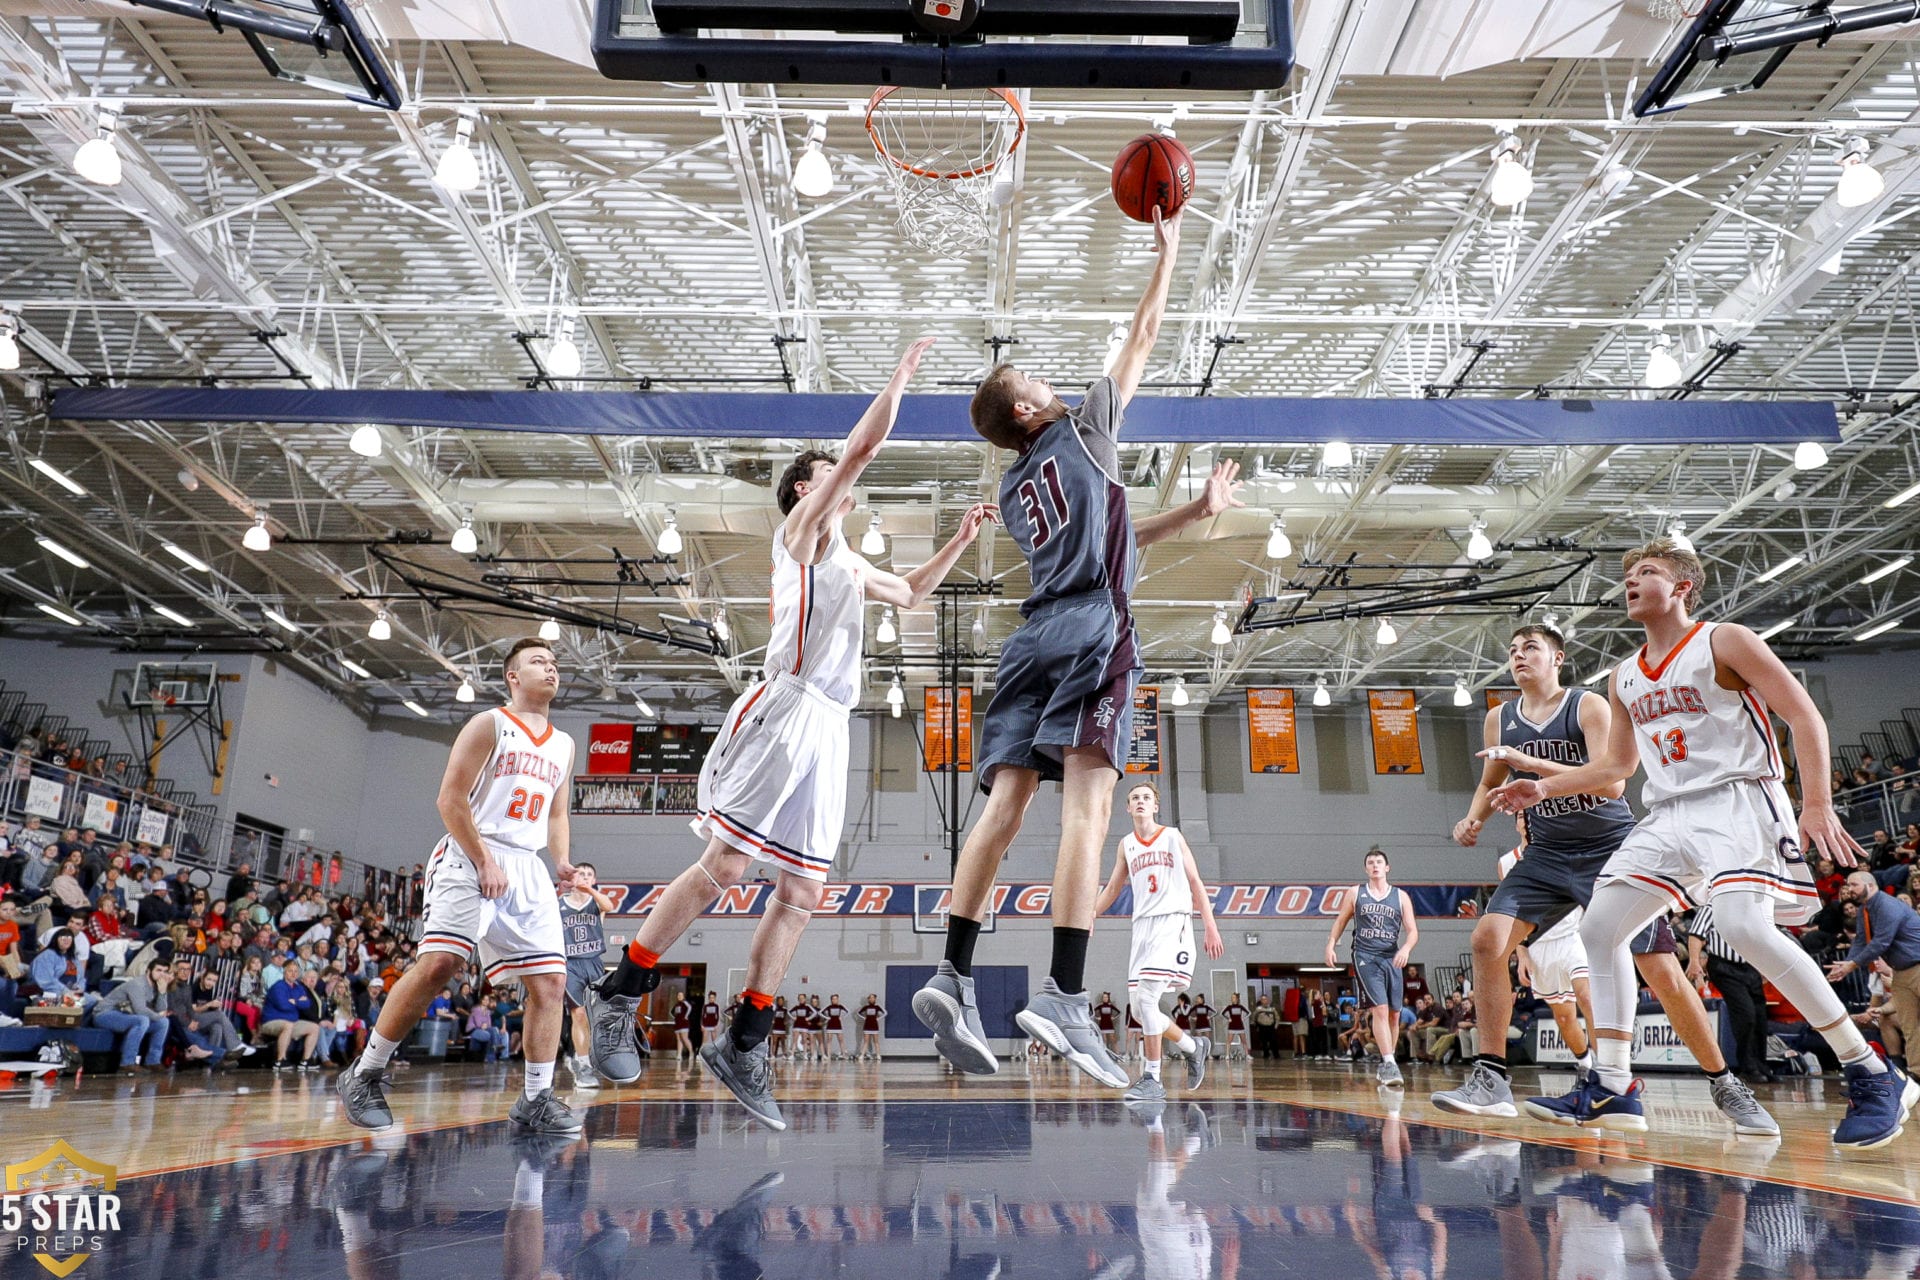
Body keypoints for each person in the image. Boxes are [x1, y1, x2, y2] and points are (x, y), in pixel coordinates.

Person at [587, 338, 996, 1132]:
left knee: (804, 892)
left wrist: (958, 540)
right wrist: (899, 377)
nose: (846, 480)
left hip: (832, 725)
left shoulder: (845, 562)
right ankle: (619, 993)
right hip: (786, 708)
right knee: (726, 865)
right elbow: (865, 447)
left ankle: (744, 1040)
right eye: (831, 473)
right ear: (808, 490)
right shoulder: (802, 539)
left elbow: (911, 594)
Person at [912, 206, 1245, 1091]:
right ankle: (1063, 994)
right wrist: (1167, 255)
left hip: (1030, 640)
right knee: (1089, 814)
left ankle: (952, 971)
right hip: (1097, 628)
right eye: (1035, 378)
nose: (1052, 380)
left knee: (1004, 808)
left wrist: (1193, 515)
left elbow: (1120, 538)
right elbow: (1142, 334)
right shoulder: (1083, 427)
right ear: (1028, 406)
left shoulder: (1021, 488)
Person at [1493, 536, 1915, 1149]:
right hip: (1667, 814)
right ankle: (1612, 1082)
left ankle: (1872, 1071)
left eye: (1647, 572)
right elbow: (1615, 769)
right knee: (1600, 928)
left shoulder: (1725, 640)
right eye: (1628, 574)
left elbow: (1804, 716)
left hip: (1738, 799)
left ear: (1683, 586)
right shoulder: (1625, 676)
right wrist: (1543, 786)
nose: (1631, 582)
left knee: (1744, 928)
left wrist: (1817, 802)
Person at [1435, 623, 1776, 1138]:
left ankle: (1725, 1082)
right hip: (1547, 852)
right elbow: (1491, 779)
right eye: (1512, 650)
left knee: (1660, 968)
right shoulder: (1498, 719)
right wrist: (1475, 817)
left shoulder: (1588, 706)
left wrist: (1533, 769)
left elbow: (1613, 780)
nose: (1518, 656)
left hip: (1611, 849)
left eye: (1531, 648)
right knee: (1486, 938)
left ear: (1558, 658)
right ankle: (1491, 1078)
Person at [338, 637, 582, 1136]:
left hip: (528, 866)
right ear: (513, 676)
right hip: (473, 852)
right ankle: (364, 1074)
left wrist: (561, 862)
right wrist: (484, 859)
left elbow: (557, 812)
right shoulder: (489, 723)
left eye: (554, 663)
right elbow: (450, 800)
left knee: (551, 983)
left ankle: (536, 1097)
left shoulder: (564, 743)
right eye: (539, 662)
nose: (551, 669)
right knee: (442, 963)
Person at [1092, 781, 1223, 1102]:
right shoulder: (1126, 844)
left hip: (1172, 922)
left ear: (1155, 806)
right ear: (1127, 807)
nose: (1140, 801)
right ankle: (1194, 1047)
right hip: (1142, 928)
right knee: (1138, 1006)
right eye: (1134, 797)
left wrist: (1210, 925)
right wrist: (1089, 914)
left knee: (1148, 1000)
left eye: (1146, 797)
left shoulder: (1172, 836)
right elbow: (1112, 888)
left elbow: (1194, 880)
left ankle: (1152, 1076)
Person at [1325, 848, 1418, 1087]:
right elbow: (1341, 921)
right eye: (1370, 862)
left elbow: (1413, 931)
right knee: (1380, 1008)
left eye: (1379, 862)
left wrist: (1405, 949)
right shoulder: (1356, 893)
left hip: (1391, 956)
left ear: (1387, 867)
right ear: (1366, 868)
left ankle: (1390, 1061)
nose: (1375, 865)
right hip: (1365, 955)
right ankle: (1388, 1062)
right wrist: (1331, 944)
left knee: (1394, 1014)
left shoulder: (1400, 897)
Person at [1826, 870, 1920, 1072]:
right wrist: (1846, 963)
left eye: (1854, 885)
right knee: (1910, 1027)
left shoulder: (1887, 906)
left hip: (1917, 966)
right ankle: (1916, 1073)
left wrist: (1853, 964)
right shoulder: (1864, 911)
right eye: (1848, 885)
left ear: (1870, 885)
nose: (1850, 889)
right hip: (1901, 972)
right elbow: (1861, 940)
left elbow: (1881, 942)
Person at [1684, 902, 1773, 1082]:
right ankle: (1747, 1067)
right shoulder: (1712, 906)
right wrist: (1694, 961)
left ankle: (1761, 1065)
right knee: (1745, 1014)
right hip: (1724, 966)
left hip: (1750, 965)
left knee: (1760, 1015)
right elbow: (1696, 934)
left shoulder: (1750, 907)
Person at [558, 862, 615, 1089]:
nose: (585, 877)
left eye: (589, 874)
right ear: (572, 878)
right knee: (578, 1014)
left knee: (594, 1017)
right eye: (581, 873)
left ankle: (581, 1056)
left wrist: (588, 889)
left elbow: (609, 906)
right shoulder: (559, 905)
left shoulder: (596, 902)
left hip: (594, 962)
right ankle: (583, 1065)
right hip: (570, 964)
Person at [92, 959, 181, 1074]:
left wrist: (162, 992)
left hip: (126, 1016)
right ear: (149, 971)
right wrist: (158, 1015)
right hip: (105, 1014)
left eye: (165, 971)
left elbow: (161, 1010)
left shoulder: (157, 985)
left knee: (163, 1023)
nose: (162, 974)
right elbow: (140, 1010)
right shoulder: (137, 984)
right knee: (142, 1020)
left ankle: (153, 1061)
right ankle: (127, 1063)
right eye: (158, 970)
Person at [261, 959, 323, 1070]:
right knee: (287, 1025)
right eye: (290, 971)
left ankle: (305, 1061)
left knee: (314, 1027)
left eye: (296, 971)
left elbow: (307, 1003)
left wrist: (294, 1001)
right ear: (284, 972)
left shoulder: (298, 987)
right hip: (271, 1022)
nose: (293, 974)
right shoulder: (278, 986)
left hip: (292, 1021)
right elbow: (283, 1005)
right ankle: (280, 1061)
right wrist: (299, 1002)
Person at [1221, 992, 1250, 1060]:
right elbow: (1223, 1013)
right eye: (1232, 997)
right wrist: (1228, 1018)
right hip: (1232, 1026)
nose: (1232, 999)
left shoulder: (1240, 1006)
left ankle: (1247, 1055)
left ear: (1237, 999)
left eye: (1233, 997)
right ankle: (1227, 1055)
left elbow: (1248, 1013)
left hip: (1240, 1026)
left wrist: (1243, 1018)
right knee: (1229, 1041)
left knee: (1244, 1041)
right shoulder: (1229, 1007)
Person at [1093, 991, 1122, 1056]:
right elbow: (1092, 1012)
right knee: (1104, 1040)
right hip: (1102, 1025)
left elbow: (1119, 1012)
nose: (1105, 998)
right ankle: (1104, 1054)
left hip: (1109, 1025)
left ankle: (1117, 1053)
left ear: (1108, 998)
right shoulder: (1100, 1005)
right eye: (1104, 997)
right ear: (1102, 998)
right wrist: (1097, 1017)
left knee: (1113, 1040)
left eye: (1106, 997)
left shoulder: (1110, 1005)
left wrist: (1114, 1017)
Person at [857, 993, 884, 1060]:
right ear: (868, 999)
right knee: (866, 1041)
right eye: (870, 998)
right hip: (867, 1026)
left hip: (874, 1026)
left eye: (873, 998)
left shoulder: (877, 1007)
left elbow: (885, 1013)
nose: (872, 999)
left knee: (876, 1041)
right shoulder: (866, 1007)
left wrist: (878, 1018)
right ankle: (862, 1055)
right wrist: (864, 1018)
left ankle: (878, 1055)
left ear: (875, 999)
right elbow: (858, 1013)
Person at [824, 994, 848, 1059]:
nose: (834, 1000)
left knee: (841, 1040)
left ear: (838, 999)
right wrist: (827, 1017)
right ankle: (828, 1055)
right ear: (831, 1000)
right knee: (829, 1041)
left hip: (838, 1025)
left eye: (836, 999)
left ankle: (843, 1054)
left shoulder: (840, 1006)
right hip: (830, 1025)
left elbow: (847, 1011)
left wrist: (842, 1017)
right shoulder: (829, 1007)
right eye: (833, 999)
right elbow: (820, 1012)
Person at [671, 992, 694, 1061]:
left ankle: (691, 1052)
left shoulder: (685, 1003)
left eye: (681, 995)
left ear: (683, 996)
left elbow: (690, 1008)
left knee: (684, 1038)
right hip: (677, 1024)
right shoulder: (676, 1004)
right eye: (678, 995)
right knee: (679, 1039)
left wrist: (686, 1016)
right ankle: (679, 1054)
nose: (679, 996)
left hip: (684, 1024)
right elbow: (672, 1012)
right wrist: (675, 1018)